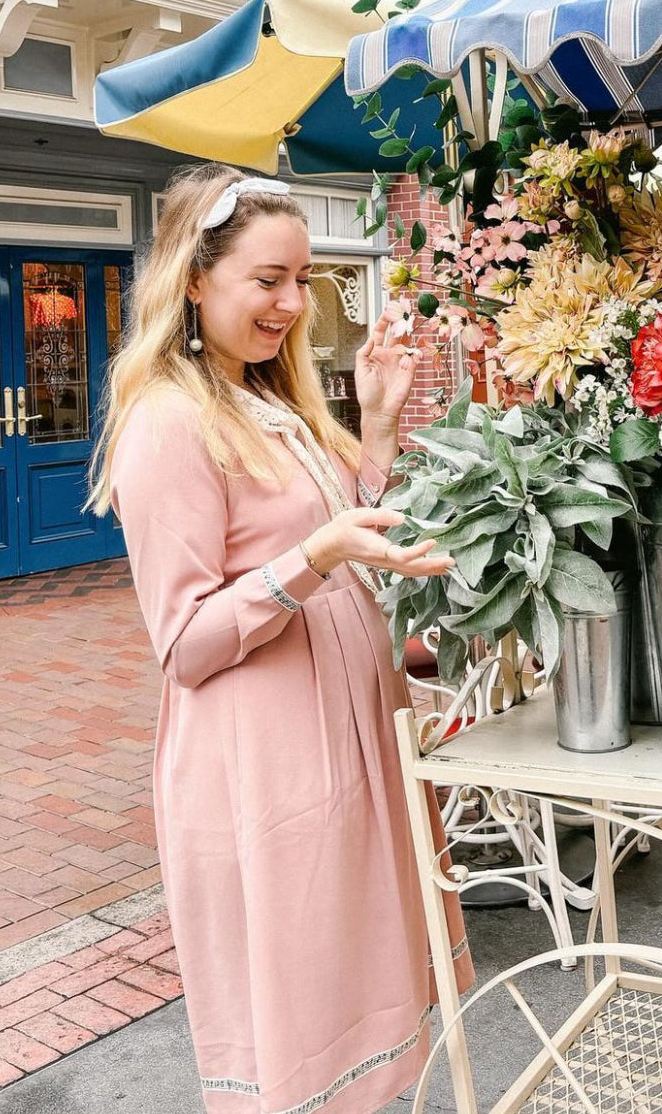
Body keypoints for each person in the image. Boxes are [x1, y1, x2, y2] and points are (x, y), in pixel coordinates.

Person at [88, 164, 473, 1114]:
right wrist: (310, 558)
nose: (294, 304)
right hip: (267, 756)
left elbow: (343, 534)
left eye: (304, 280)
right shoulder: (169, 422)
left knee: (367, 976)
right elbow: (182, 643)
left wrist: (374, 430)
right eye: (268, 280)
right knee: (305, 1011)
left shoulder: (266, 399)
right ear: (193, 279)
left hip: (344, 733)